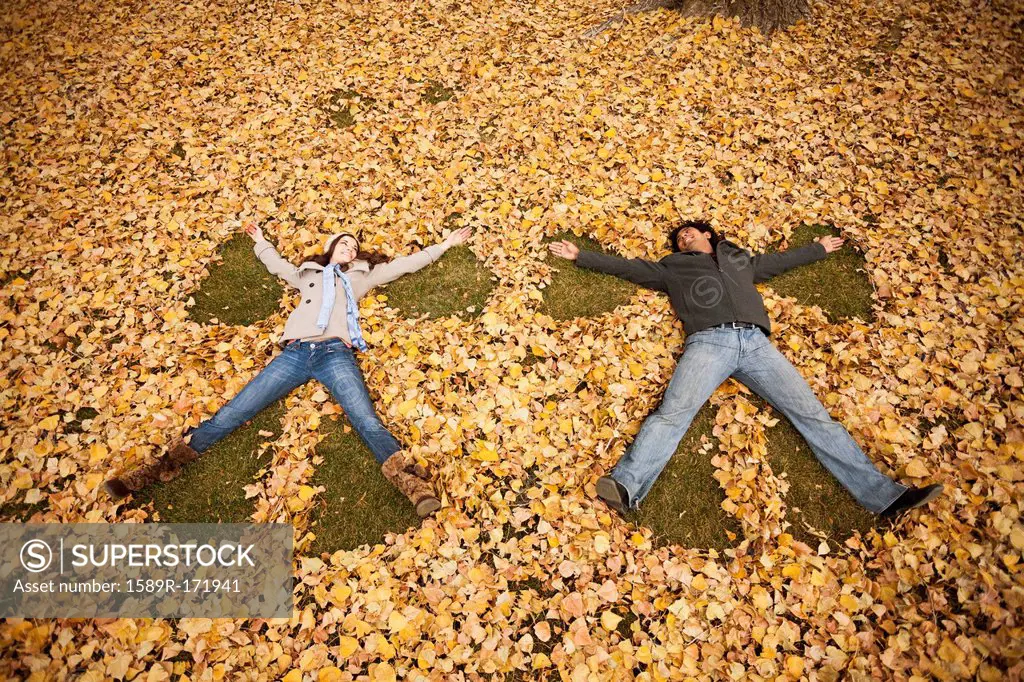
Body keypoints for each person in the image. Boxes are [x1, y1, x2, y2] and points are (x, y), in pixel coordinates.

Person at [548, 220, 943, 519]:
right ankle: (624, 486)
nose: (684, 238)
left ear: (709, 235)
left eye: (690, 232)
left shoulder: (740, 261)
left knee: (814, 416)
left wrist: (818, 249)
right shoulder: (673, 268)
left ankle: (886, 499)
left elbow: (777, 262)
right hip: (708, 344)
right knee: (672, 415)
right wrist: (581, 256)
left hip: (757, 346)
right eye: (679, 238)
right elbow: (628, 268)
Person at [104, 222, 473, 518]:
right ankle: (155, 470)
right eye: (344, 244)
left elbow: (405, 264)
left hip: (335, 354)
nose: (351, 249)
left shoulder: (361, 276)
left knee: (367, 420)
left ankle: (414, 487)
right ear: (331, 248)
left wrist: (445, 245)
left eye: (355, 247)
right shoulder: (307, 274)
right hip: (295, 353)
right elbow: (276, 265)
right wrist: (261, 243)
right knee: (234, 412)